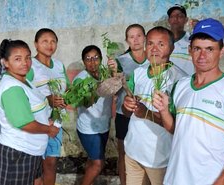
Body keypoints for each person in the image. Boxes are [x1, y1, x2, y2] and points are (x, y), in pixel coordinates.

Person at [152, 18, 224, 185]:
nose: (202, 56)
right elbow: (176, 129)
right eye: (197, 48)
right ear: (190, 50)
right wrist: (163, 111)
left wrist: (222, 181)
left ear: (222, 51)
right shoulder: (181, 85)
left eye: (210, 49)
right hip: (174, 179)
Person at [122, 26, 187, 185]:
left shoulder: (180, 80)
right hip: (133, 151)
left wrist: (146, 113)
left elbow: (177, 127)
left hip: (159, 158)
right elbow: (127, 112)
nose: (154, 49)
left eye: (161, 44)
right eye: (150, 44)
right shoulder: (139, 72)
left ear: (171, 48)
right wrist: (127, 105)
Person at [0, 39, 59, 185]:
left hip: (32, 150)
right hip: (17, 154)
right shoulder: (12, 88)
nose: (25, 63)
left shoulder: (24, 81)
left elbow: (34, 109)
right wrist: (49, 129)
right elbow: (24, 123)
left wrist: (46, 120)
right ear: (5, 62)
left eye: (27, 57)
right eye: (17, 59)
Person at [26, 28, 70, 185]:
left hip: (56, 121)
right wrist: (48, 100)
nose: (49, 45)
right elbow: (25, 93)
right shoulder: (30, 66)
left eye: (53, 41)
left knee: (51, 163)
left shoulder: (58, 65)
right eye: (45, 41)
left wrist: (67, 99)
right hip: (37, 121)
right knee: (34, 165)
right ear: (36, 44)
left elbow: (68, 89)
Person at [107, 23, 148, 185]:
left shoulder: (153, 59)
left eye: (139, 35)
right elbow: (114, 91)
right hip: (124, 114)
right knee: (123, 154)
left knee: (146, 152)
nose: (136, 39)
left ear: (145, 38)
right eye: (131, 36)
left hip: (146, 114)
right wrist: (113, 74)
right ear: (127, 40)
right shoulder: (120, 60)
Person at [73, 45, 112, 185]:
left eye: (96, 58)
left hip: (103, 125)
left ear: (101, 59)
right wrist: (93, 91)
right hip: (88, 129)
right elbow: (79, 100)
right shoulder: (80, 79)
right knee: (98, 164)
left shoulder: (107, 75)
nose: (92, 62)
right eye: (88, 59)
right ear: (83, 62)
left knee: (92, 159)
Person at [167, 4, 195, 75]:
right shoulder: (162, 39)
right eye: (172, 16)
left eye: (180, 16)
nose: (176, 18)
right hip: (166, 83)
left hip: (186, 83)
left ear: (186, 20)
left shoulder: (192, 39)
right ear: (169, 20)